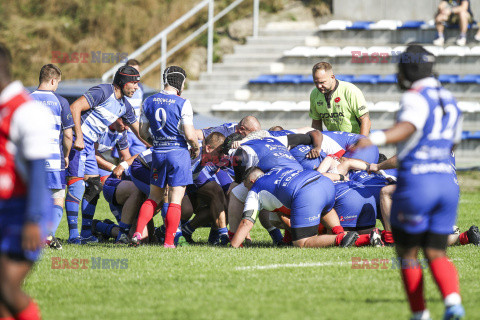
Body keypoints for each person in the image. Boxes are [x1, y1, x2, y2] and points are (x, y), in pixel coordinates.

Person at [355, 45, 465, 320]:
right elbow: (453, 142)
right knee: (436, 250)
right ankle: (453, 302)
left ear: (409, 69)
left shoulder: (415, 96)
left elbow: (410, 126)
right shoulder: (450, 98)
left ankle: (421, 314)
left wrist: (376, 138)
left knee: (408, 252)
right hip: (447, 184)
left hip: (420, 184)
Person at [66, 65, 149, 244]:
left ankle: (87, 233)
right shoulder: (103, 91)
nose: (136, 87)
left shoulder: (125, 106)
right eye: (134, 83)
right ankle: (73, 237)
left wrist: (155, 144)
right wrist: (78, 137)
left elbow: (140, 132)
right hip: (77, 141)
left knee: (94, 187)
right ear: (123, 82)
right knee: (76, 186)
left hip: (88, 147)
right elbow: (74, 107)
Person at [0, 43, 52, 320]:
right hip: (4, 208)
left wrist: (33, 219)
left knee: (6, 286)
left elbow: (37, 171)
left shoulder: (25, 110)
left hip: (22, 213)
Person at [132, 66, 200, 248]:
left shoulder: (149, 100)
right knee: (175, 199)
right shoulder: (182, 102)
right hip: (178, 153)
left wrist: (155, 142)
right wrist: (195, 148)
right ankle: (169, 242)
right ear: (180, 82)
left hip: (159, 153)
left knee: (154, 196)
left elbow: (143, 131)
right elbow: (190, 134)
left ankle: (138, 233)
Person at [230, 167, 359, 248]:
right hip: (325, 183)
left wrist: (234, 246)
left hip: (307, 193)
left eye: (247, 187)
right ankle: (356, 236)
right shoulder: (278, 169)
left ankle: (342, 237)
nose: (247, 190)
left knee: (302, 242)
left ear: (252, 182)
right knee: (325, 209)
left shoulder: (255, 189)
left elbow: (246, 222)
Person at [30, 64, 74, 249]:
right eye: (58, 83)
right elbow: (68, 135)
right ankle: (49, 235)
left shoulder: (26, 99)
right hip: (53, 159)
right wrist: (66, 155)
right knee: (57, 198)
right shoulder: (61, 101)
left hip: (31, 158)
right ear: (53, 80)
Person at [309, 62, 371, 136]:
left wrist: (361, 143)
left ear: (332, 77)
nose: (319, 86)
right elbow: (316, 123)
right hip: (336, 142)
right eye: (316, 83)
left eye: (322, 82)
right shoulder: (314, 94)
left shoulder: (350, 90)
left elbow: (365, 120)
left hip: (355, 139)